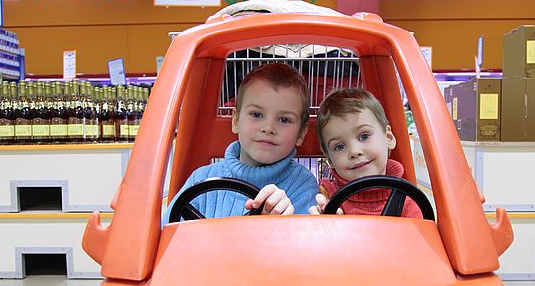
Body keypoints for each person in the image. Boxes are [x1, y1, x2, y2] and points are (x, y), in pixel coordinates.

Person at [164, 63, 319, 222]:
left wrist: (283, 223)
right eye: (256, 114)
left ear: (301, 133)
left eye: (284, 119)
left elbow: (305, 243)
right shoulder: (201, 179)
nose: (268, 128)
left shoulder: (303, 186)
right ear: (236, 120)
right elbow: (165, 236)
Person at [309, 88, 423, 218]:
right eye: (339, 146)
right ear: (329, 159)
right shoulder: (326, 196)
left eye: (364, 136)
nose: (354, 152)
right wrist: (320, 219)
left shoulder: (408, 202)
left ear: (389, 138)